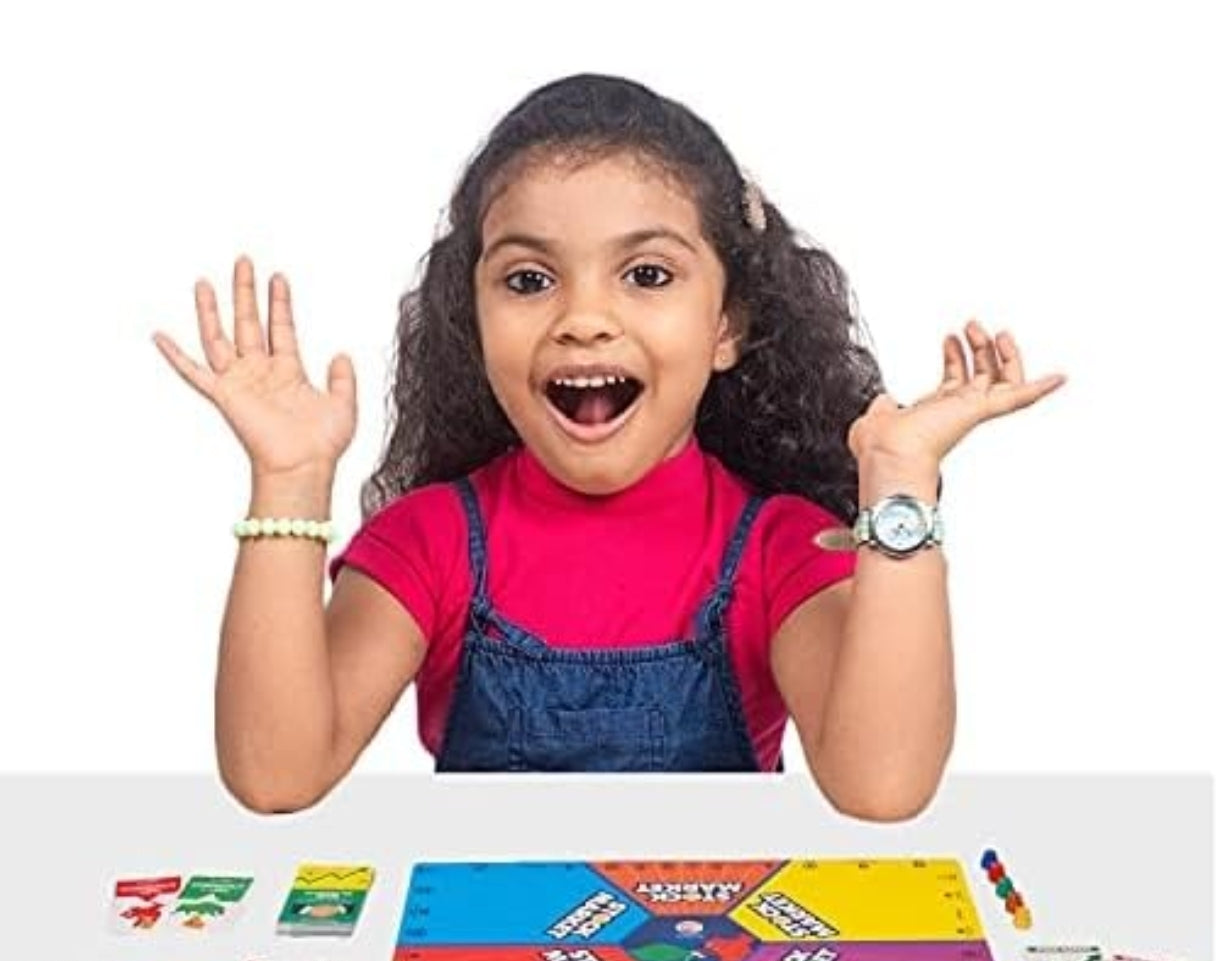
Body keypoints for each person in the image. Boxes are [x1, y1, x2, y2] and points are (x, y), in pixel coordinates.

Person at [152, 73, 1065, 819]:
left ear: (727, 324)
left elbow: (883, 786)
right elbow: (276, 774)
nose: (584, 318)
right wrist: (291, 477)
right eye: (529, 278)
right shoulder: (427, 542)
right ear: (474, 319)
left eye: (648, 274)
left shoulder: (780, 544)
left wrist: (900, 485)